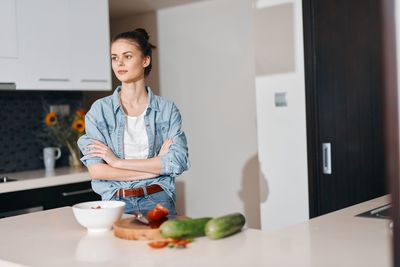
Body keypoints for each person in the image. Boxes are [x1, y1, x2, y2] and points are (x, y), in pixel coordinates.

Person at [77, 28, 190, 216]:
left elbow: (176, 162)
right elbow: (97, 171)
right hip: (115, 202)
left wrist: (116, 162)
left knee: (163, 246)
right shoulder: (99, 111)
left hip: (158, 199)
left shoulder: (166, 110)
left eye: (127, 56)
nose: (119, 63)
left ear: (145, 60)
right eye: (114, 57)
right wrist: (155, 169)